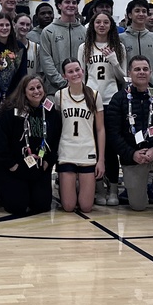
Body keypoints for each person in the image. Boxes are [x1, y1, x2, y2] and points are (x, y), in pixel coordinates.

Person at [105, 56, 153, 219]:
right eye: (137, 69)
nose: (141, 72)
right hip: (132, 157)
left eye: (145, 69)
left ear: (150, 72)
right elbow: (113, 134)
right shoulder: (118, 99)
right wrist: (131, 154)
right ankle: (141, 188)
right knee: (138, 206)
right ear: (129, 73)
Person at [0, 75, 60, 217]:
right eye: (31, 88)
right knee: (17, 206)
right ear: (24, 92)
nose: (36, 91)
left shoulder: (51, 112)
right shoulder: (10, 110)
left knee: (42, 205)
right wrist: (13, 166)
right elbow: (0, 142)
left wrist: (47, 162)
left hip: (38, 166)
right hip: (12, 167)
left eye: (39, 87)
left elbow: (54, 142)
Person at [77, 11, 125, 206]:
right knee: (94, 146)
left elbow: (123, 79)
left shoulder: (119, 47)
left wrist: (114, 61)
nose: (102, 25)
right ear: (92, 24)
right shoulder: (84, 47)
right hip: (91, 100)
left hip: (111, 100)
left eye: (106, 22)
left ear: (111, 25)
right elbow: (80, 75)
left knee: (111, 146)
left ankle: (113, 188)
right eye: (98, 22)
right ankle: (98, 189)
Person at [55, 59, 104, 213]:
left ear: (83, 71)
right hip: (67, 152)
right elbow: (56, 127)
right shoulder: (59, 95)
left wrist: (100, 160)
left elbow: (100, 129)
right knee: (68, 207)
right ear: (64, 76)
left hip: (87, 152)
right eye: (70, 71)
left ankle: (76, 186)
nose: (75, 74)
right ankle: (64, 186)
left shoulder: (95, 95)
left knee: (86, 207)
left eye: (77, 70)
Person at [39, 0, 86, 96]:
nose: (71, 5)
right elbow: (46, 61)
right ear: (59, 5)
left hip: (81, 89)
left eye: (74, 3)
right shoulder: (48, 31)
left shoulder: (85, 32)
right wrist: (63, 83)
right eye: (67, 2)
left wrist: (79, 83)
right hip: (55, 90)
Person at [121, 0, 153, 88]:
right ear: (130, 15)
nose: (141, 14)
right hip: (128, 90)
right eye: (137, 11)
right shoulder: (121, 39)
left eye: (144, 11)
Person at [14, 13, 42, 79]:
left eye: (28, 25)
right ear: (14, 24)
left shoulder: (36, 47)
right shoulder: (7, 46)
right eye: (22, 24)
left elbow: (39, 73)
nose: (25, 27)